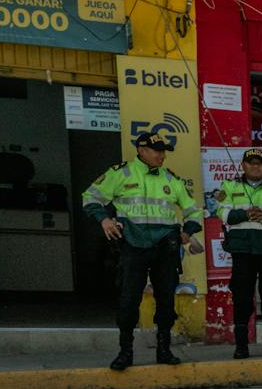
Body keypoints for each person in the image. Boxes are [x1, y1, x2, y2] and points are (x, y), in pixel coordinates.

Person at [82, 129, 205, 371]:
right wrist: (104, 219)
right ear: (142, 150)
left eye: (163, 152)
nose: (162, 156)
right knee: (129, 300)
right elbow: (90, 197)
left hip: (165, 248)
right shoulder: (121, 173)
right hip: (133, 245)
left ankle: (164, 349)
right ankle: (125, 352)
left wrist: (187, 231)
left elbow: (193, 210)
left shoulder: (170, 178)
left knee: (166, 300)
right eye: (157, 151)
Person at [208, 147, 262, 359]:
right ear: (243, 165)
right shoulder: (229, 186)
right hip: (242, 250)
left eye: (259, 163)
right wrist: (245, 214)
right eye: (251, 163)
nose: (255, 167)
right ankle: (241, 346)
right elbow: (222, 212)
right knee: (242, 298)